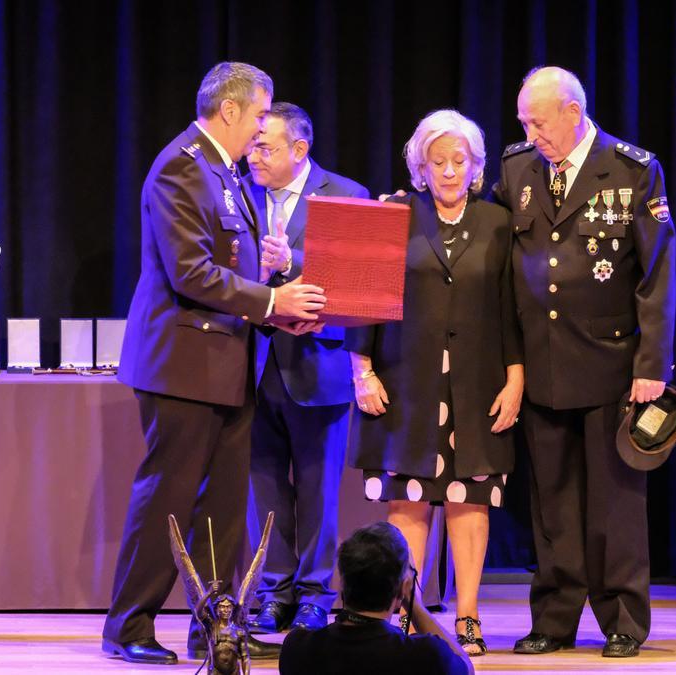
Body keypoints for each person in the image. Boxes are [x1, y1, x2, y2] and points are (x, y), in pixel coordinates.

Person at [102, 62, 326, 666]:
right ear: (229, 111)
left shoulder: (221, 171)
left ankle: (215, 626)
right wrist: (273, 300)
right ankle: (129, 625)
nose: (261, 131)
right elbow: (192, 272)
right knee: (169, 498)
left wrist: (276, 314)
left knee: (225, 505)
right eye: (257, 116)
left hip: (227, 362)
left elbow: (235, 270)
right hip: (183, 363)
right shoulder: (181, 167)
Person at [492, 66, 676, 658]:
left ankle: (623, 619)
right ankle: (554, 617)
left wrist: (653, 364)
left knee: (615, 505)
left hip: (611, 363)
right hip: (543, 364)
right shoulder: (517, 167)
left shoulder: (632, 169)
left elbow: (656, 277)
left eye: (537, 121)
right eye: (524, 121)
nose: (529, 132)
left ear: (573, 112)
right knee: (553, 504)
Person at [347, 109, 523, 657]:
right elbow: (365, 295)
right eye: (437, 161)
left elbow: (510, 308)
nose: (449, 171)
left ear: (475, 166)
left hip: (477, 382)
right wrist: (362, 369)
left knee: (472, 503)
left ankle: (468, 616)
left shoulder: (498, 221)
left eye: (459, 161)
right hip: (406, 381)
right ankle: (411, 615)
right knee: (409, 503)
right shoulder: (394, 213)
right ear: (420, 166)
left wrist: (515, 378)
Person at [242, 102, 371, 634]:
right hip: (252, 362)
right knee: (264, 484)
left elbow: (360, 280)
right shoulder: (240, 194)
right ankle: (273, 590)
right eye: (252, 145)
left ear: (300, 150)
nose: (254, 156)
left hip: (319, 363)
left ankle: (318, 592)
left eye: (265, 147)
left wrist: (289, 265)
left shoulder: (347, 196)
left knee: (318, 489)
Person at [279, 522, 473, 675]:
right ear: (400, 590)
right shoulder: (425, 655)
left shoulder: (297, 649)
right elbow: (465, 668)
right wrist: (414, 603)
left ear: (342, 586)